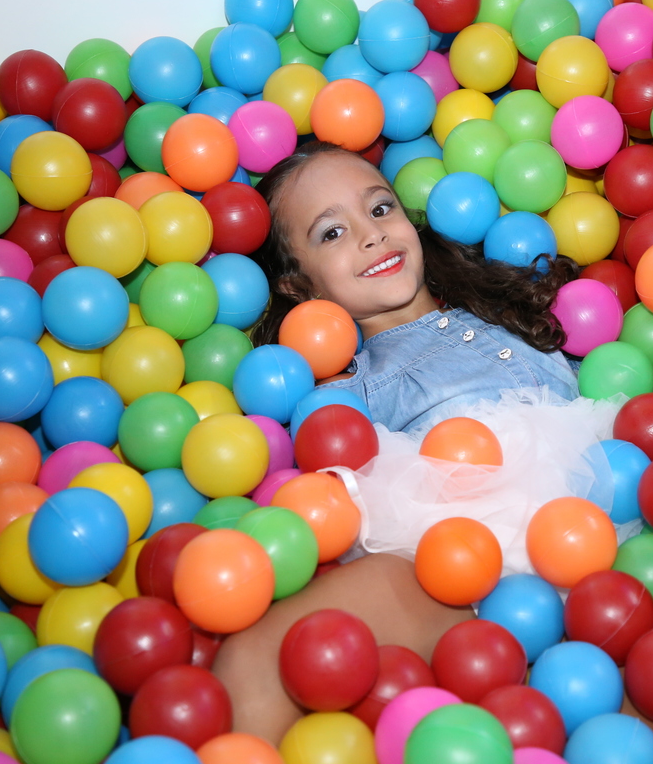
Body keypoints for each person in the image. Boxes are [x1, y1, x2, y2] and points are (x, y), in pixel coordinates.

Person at [214, 141, 626, 742]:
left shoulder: (509, 306)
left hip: (604, 522)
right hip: (450, 559)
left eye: (380, 209)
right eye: (333, 233)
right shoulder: (346, 391)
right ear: (300, 288)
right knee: (256, 660)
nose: (371, 235)